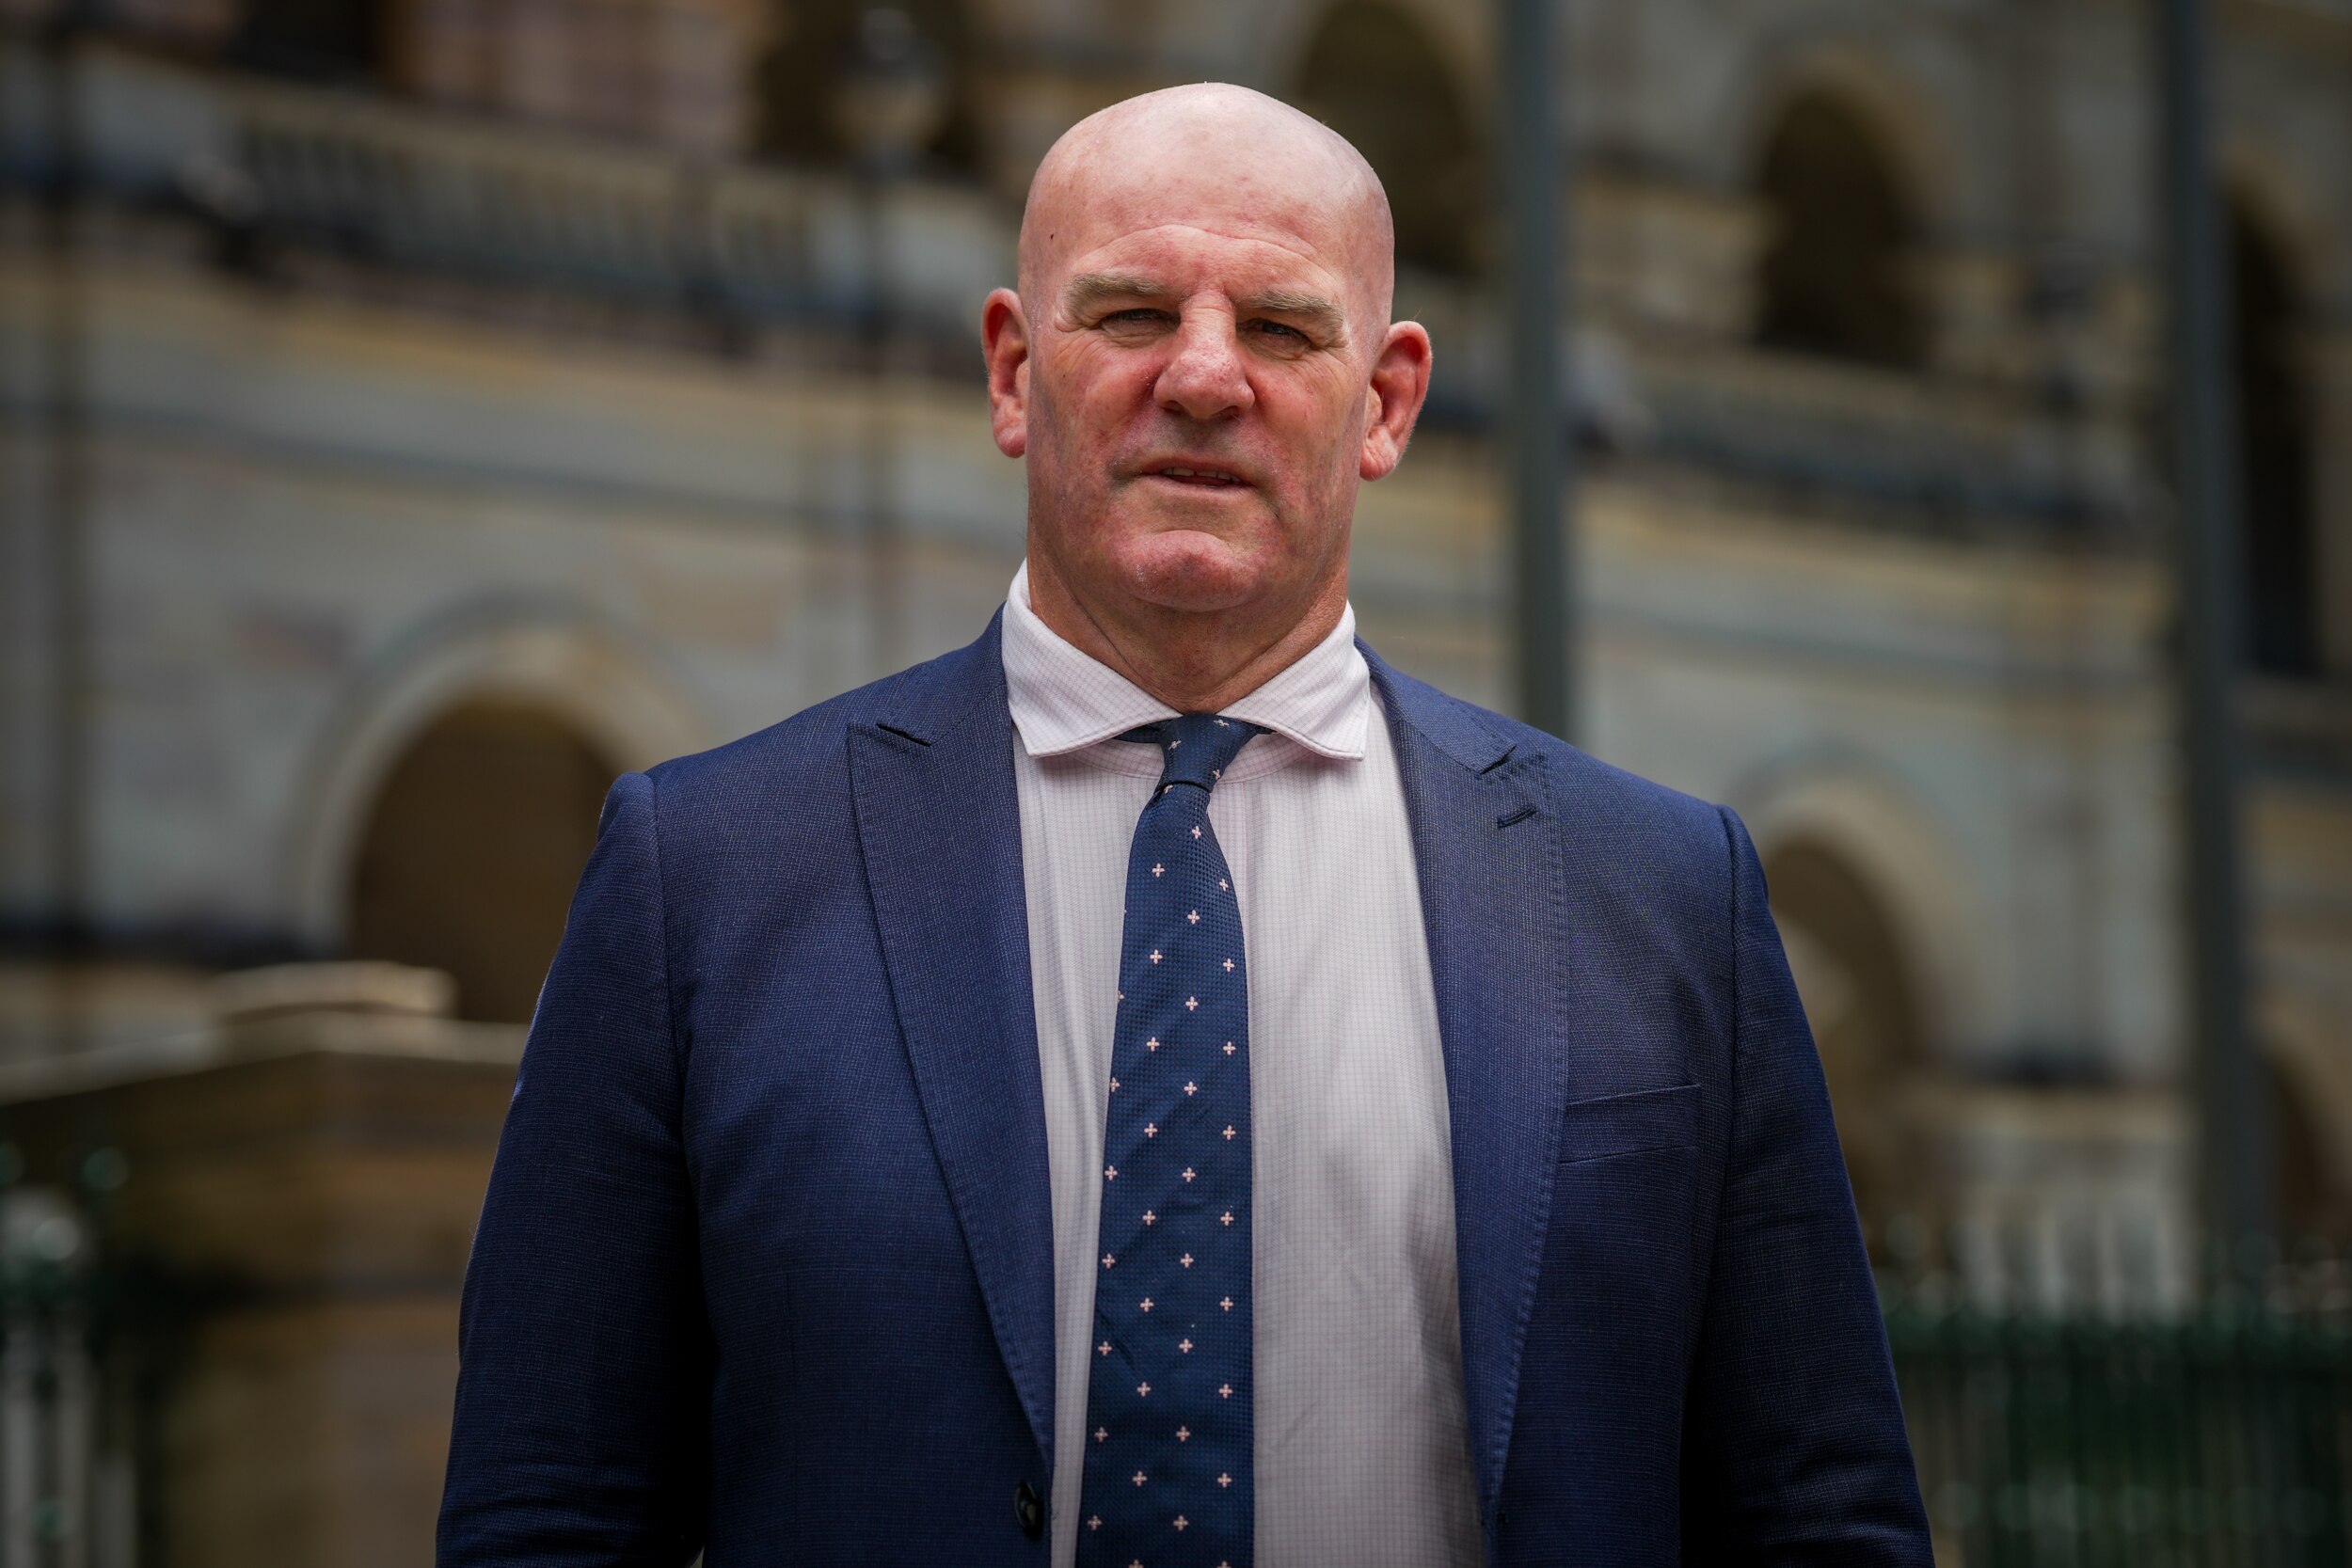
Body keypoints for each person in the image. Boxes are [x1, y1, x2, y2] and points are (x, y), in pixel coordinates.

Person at [437, 84, 1931, 1567]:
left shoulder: (1662, 897)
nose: (1206, 377)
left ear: (1387, 403)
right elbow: (551, 1518)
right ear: (1013, 371)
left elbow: (1820, 1520)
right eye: (1133, 314)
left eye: (1281, 328)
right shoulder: (701, 875)